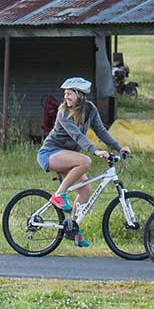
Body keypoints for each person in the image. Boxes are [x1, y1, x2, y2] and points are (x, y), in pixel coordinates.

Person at [37, 76, 130, 247]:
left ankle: (73, 229)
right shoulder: (63, 111)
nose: (66, 97)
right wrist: (95, 151)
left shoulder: (90, 109)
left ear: (80, 95)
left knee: (85, 192)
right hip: (51, 153)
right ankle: (59, 195)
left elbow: (101, 131)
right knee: (85, 161)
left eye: (69, 94)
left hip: (68, 156)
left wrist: (118, 147)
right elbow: (77, 136)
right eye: (65, 94)